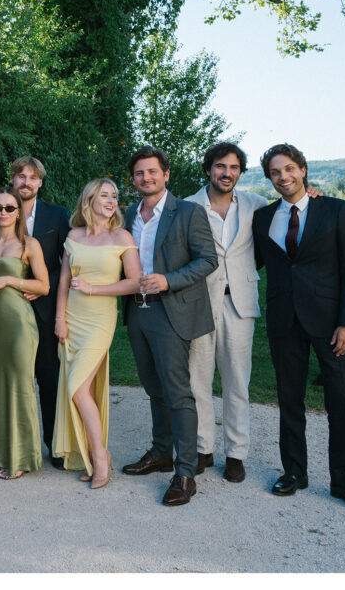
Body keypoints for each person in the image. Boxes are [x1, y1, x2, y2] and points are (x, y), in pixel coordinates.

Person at [253, 143, 345, 511]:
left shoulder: (336, 210)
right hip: (284, 321)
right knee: (290, 399)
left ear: (303, 170)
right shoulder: (263, 218)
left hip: (331, 324)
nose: (283, 177)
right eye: (275, 172)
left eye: (289, 169)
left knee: (341, 401)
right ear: (269, 178)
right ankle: (294, 472)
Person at [120, 145, 217, 506]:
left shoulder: (188, 212)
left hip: (170, 309)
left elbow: (208, 260)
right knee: (153, 388)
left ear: (166, 175)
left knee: (177, 391)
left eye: (152, 172)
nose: (145, 178)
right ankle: (161, 453)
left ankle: (186, 473)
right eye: (139, 173)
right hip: (137, 311)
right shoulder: (130, 212)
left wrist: (168, 280)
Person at [184, 142, 269, 484]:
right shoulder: (188, 206)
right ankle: (203, 448)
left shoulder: (257, 205)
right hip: (200, 303)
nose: (227, 173)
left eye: (234, 167)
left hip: (240, 302)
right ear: (208, 169)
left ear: (240, 172)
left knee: (237, 382)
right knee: (197, 379)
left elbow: (291, 213)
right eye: (221, 166)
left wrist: (314, 194)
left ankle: (236, 453)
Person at [52, 179, 141, 489]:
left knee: (77, 389)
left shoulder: (122, 236)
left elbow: (134, 282)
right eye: (104, 195)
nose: (111, 200)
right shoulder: (74, 235)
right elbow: (64, 280)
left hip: (100, 320)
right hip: (72, 321)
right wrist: (59, 318)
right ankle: (92, 455)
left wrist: (93, 289)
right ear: (89, 199)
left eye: (114, 196)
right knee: (79, 389)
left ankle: (100, 457)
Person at [0, 188, 50, 480]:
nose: (2, 213)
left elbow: (43, 286)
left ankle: (23, 458)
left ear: (19, 212)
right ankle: (6, 455)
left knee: (22, 386)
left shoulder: (29, 244)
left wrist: (9, 280)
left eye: (9, 208)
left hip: (19, 325)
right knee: (2, 387)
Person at [9, 156, 71, 469]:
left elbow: (66, 264)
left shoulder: (58, 216)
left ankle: (53, 445)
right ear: (13, 180)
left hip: (45, 311)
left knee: (49, 381)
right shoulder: (1, 212)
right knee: (16, 382)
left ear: (40, 183)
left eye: (32, 177)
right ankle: (19, 446)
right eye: (20, 176)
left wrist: (44, 286)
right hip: (10, 311)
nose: (26, 182)